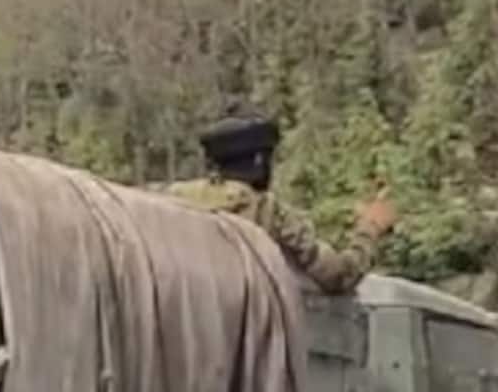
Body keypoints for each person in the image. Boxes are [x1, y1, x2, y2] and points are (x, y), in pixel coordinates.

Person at [163, 113, 395, 295]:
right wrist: (369, 229)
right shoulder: (270, 212)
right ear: (259, 160)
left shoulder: (173, 203)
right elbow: (337, 276)